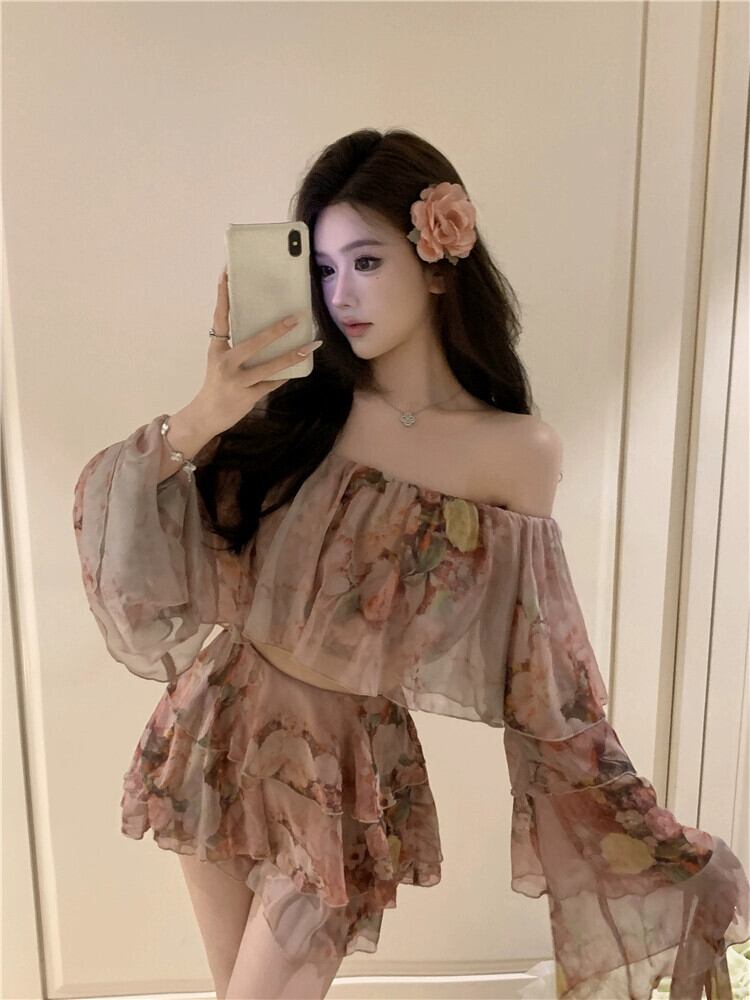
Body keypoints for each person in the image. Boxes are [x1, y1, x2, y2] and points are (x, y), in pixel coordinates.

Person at [72, 128, 748, 1000]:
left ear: (437, 263)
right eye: (323, 269)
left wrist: (651, 837)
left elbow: (546, 676)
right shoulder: (293, 408)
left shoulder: (516, 453)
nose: (340, 294)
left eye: (366, 262)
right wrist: (207, 410)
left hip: (342, 765)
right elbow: (124, 526)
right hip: (217, 725)